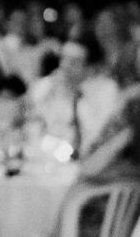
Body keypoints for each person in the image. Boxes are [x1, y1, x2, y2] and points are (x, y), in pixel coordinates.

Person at [27, 32, 121, 160]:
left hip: (90, 163)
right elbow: (33, 123)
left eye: (74, 62)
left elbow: (96, 137)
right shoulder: (49, 85)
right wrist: (49, 92)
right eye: (63, 58)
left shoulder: (106, 89)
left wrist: (75, 96)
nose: (64, 66)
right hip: (49, 159)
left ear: (90, 67)